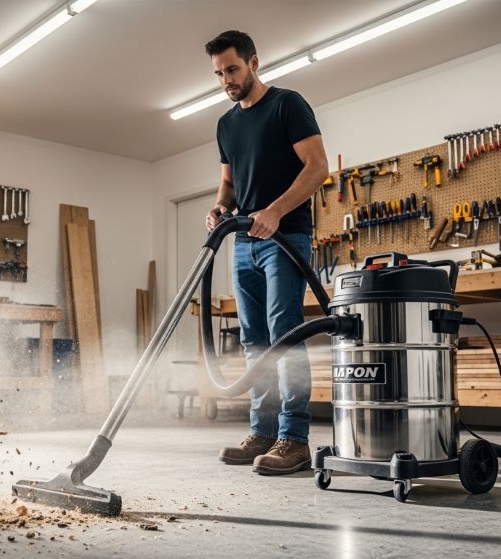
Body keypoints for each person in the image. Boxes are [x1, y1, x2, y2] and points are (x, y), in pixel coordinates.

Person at [203, 30, 329, 475]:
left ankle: (293, 439)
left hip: (286, 240)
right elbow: (230, 184)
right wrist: (220, 208)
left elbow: (318, 168)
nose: (226, 80)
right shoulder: (226, 124)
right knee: (254, 340)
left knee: (285, 336)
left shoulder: (287, 105)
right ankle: (262, 430)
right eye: (219, 73)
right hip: (244, 244)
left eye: (232, 69)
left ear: (254, 62)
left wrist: (274, 211)